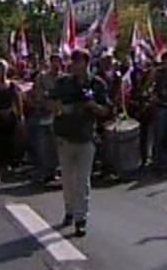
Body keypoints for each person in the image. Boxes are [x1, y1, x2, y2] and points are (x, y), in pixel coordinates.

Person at [50, 49, 111, 237]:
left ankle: (80, 218)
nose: (75, 65)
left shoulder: (97, 84)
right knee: (68, 180)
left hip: (86, 137)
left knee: (83, 181)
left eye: (79, 61)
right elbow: (50, 103)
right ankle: (69, 210)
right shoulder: (63, 83)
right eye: (73, 61)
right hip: (66, 136)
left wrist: (93, 106)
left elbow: (107, 110)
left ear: (86, 63)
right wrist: (63, 108)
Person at [0, 59, 23, 183]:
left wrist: (20, 116)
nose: (1, 72)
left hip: (9, 118)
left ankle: (7, 169)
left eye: (3, 70)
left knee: (9, 144)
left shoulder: (12, 85)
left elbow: (18, 101)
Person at [28, 54, 62, 184]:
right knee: (44, 144)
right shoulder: (42, 78)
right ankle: (46, 170)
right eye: (54, 62)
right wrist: (43, 98)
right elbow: (37, 94)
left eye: (58, 62)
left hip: (58, 115)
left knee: (56, 145)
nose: (56, 65)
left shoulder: (63, 78)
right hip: (44, 114)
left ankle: (54, 170)